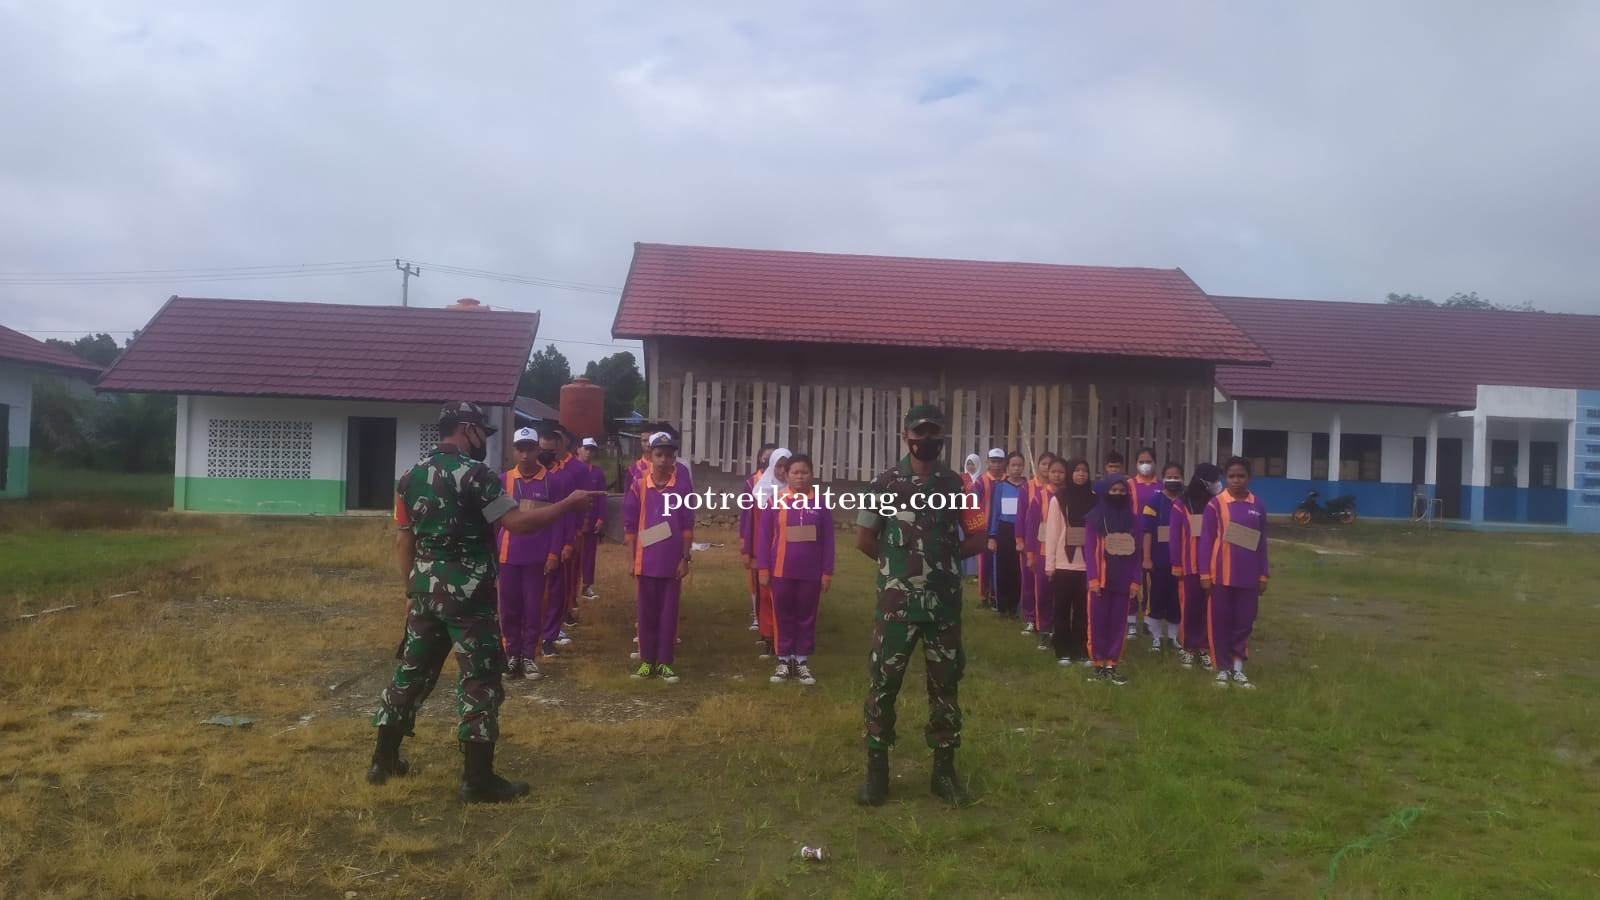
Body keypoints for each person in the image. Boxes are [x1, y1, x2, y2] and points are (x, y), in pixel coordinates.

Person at [368, 401, 598, 803]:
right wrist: (567, 506)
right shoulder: (477, 476)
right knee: (479, 679)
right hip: (469, 595)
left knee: (411, 673)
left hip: (425, 591)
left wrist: (411, 590)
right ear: (467, 429)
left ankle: (382, 760)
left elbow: (404, 539)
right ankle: (477, 779)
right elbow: (518, 524)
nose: (483, 444)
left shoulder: (410, 477)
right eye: (481, 434)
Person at [856, 405, 987, 807]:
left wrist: (942, 562)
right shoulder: (884, 484)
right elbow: (864, 539)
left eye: (933, 432)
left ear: (942, 437)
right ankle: (877, 773)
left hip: (942, 607)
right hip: (896, 604)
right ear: (906, 436)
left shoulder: (959, 484)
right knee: (883, 686)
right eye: (919, 431)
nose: (925, 438)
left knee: (945, 687)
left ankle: (943, 773)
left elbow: (978, 537)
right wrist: (901, 568)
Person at [622, 432, 696, 684]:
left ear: (675, 459)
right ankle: (646, 661)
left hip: (671, 563)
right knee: (646, 614)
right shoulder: (639, 485)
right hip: (646, 561)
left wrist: (685, 558)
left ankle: (664, 662)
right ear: (650, 456)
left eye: (669, 455)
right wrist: (632, 560)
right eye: (659, 454)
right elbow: (630, 526)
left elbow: (687, 525)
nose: (664, 460)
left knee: (668, 614)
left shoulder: (682, 487)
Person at [756, 453, 834, 686]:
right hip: (781, 571)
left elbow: (828, 541)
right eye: (794, 472)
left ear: (812, 474)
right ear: (786, 475)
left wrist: (826, 572)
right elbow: (764, 537)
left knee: (806, 616)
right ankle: (783, 660)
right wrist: (763, 568)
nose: (800, 477)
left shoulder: (820, 503)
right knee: (783, 615)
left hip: (810, 573)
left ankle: (801, 661)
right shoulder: (775, 501)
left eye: (804, 472)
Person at [496, 427, 563, 683]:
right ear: (514, 451)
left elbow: (559, 521)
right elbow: (495, 520)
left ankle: (529, 657)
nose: (524, 455)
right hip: (508, 555)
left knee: (533, 608)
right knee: (509, 609)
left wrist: (554, 552)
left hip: (537, 556)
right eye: (520, 449)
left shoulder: (551, 481)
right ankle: (511, 654)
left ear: (538, 450)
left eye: (529, 449)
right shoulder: (504, 481)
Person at [1200, 457, 1269, 689]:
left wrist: (1263, 575)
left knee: (1244, 622)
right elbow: (1206, 541)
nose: (1236, 480)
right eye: (1231, 476)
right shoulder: (1215, 504)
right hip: (1221, 576)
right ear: (1225, 478)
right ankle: (1222, 668)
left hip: (1248, 577)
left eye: (1241, 476)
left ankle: (1238, 668)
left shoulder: (1257, 505)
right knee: (1220, 622)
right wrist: (1205, 575)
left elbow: (1261, 544)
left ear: (1249, 477)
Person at [1084, 475, 1143, 685]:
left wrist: (1135, 582)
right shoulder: (1093, 518)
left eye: (1122, 491)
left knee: (1118, 624)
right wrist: (1092, 578)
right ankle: (1098, 664)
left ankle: (1112, 664)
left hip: (1124, 582)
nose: (1118, 494)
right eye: (1114, 490)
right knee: (1097, 623)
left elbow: (1138, 555)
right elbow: (1089, 551)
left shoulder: (1134, 520)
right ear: (1105, 492)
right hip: (1099, 581)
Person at [1171, 463, 1222, 670]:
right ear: (1202, 481)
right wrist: (1176, 564)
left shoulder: (1216, 503)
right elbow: (1174, 537)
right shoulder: (1181, 504)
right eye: (1214, 480)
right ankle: (1188, 648)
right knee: (1190, 608)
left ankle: (1204, 647)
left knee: (1208, 609)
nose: (1218, 484)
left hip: (1212, 566)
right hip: (1189, 567)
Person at [1044, 457, 1094, 666]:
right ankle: (1062, 648)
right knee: (1062, 609)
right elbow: (1053, 533)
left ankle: (1080, 648)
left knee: (1083, 610)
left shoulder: (1094, 499)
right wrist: (1050, 564)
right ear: (1070, 474)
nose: (1081, 474)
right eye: (1077, 470)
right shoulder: (1059, 499)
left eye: (1084, 470)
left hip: (1087, 564)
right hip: (1064, 563)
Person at [534, 427, 578, 657]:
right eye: (540, 450)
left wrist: (567, 543)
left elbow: (569, 514)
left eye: (549, 451)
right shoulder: (526, 477)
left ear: (558, 450)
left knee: (554, 593)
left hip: (556, 541)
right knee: (531, 594)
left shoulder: (564, 479)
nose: (544, 455)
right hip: (531, 543)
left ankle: (549, 636)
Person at [751, 448, 792, 660]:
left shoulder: (798, 493)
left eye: (787, 466)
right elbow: (758, 527)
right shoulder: (761, 492)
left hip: (790, 553)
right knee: (767, 596)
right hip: (767, 550)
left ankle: (785, 640)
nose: (782, 471)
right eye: (778, 466)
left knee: (786, 599)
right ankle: (768, 637)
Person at [1141, 462, 1185, 653]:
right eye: (1169, 476)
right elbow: (1147, 532)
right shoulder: (1154, 501)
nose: (1173, 479)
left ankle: (1174, 637)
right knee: (1156, 598)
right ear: (1163, 477)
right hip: (1158, 560)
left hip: (1181, 562)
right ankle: (1156, 638)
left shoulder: (1186, 501)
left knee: (1177, 599)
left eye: (1177, 476)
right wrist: (1147, 557)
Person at [739, 444, 779, 631]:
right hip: (757, 535)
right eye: (765, 456)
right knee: (756, 578)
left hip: (779, 535)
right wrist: (744, 540)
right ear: (760, 458)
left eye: (773, 456)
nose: (768, 459)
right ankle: (758, 617)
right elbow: (746, 513)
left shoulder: (786, 482)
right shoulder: (752, 482)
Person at [1125, 446, 1162, 639]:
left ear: (1155, 463)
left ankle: (1148, 619)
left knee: (1150, 581)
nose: (1145, 465)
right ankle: (1131, 620)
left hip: (1153, 541)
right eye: (1141, 461)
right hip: (1131, 538)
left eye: (1149, 461)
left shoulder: (1162, 485)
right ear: (1136, 463)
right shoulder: (1129, 484)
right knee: (1131, 579)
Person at [1020, 450, 1056, 646]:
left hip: (1060, 550)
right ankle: (1035, 621)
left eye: (1052, 466)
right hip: (1037, 546)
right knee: (1033, 586)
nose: (1047, 468)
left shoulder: (1064, 493)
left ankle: (1055, 626)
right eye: (1044, 464)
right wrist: (1024, 545)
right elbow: (1025, 519)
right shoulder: (1033, 491)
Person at [987, 451, 1028, 618]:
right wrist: (992, 536)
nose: (1016, 469)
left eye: (1019, 465)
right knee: (1003, 567)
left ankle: (1016, 605)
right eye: (1013, 465)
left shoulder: (1027, 486)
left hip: (1023, 530)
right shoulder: (1001, 487)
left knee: (1018, 568)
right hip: (1005, 529)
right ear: (1007, 467)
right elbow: (995, 512)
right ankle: (1001, 605)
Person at [973, 449, 1007, 609]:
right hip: (985, 527)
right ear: (987, 462)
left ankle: (997, 595)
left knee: (1001, 563)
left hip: (1004, 526)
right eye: (993, 461)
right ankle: (983, 596)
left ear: (1004, 463)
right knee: (984, 562)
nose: (996, 464)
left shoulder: (1008, 480)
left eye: (999, 461)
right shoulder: (981, 481)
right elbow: (973, 504)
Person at [577, 437, 608, 602]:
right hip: (575, 520)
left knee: (589, 554)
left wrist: (601, 519)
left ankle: (586, 585)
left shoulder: (598, 473)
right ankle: (571, 588)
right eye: (586, 448)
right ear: (578, 449)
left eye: (591, 449)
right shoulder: (571, 470)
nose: (588, 452)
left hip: (591, 519)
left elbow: (602, 498)